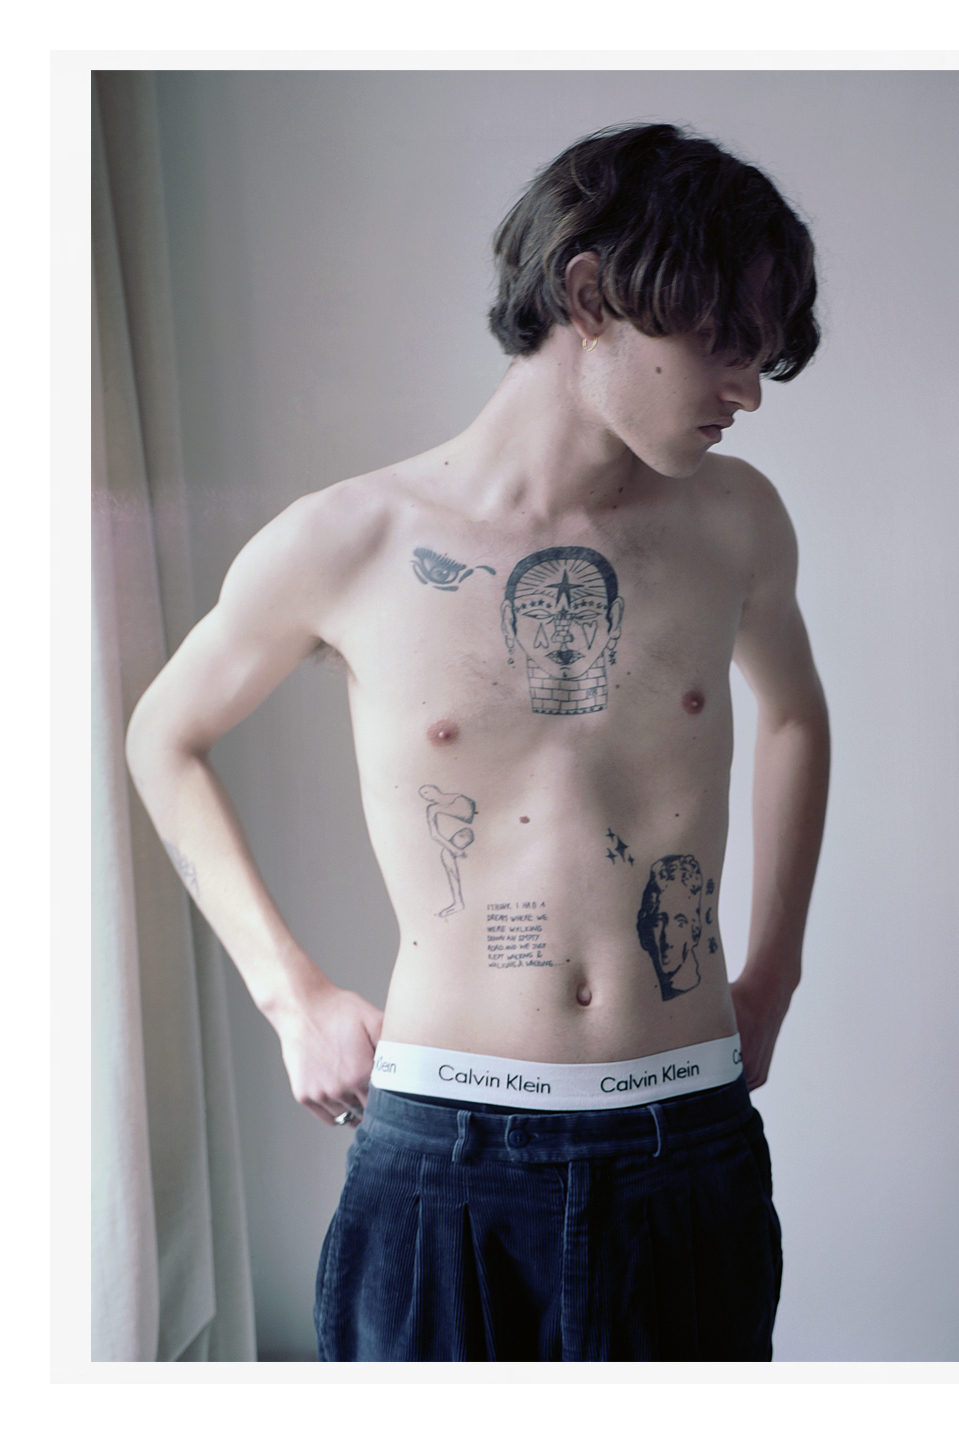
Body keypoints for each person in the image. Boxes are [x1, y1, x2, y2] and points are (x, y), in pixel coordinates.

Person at [125, 121, 830, 1362]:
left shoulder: (736, 522)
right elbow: (162, 736)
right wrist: (292, 998)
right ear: (590, 294)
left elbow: (792, 715)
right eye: (722, 344)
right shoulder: (352, 540)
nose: (748, 391)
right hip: (444, 1151)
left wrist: (774, 973)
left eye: (760, 355)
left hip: (684, 1135)